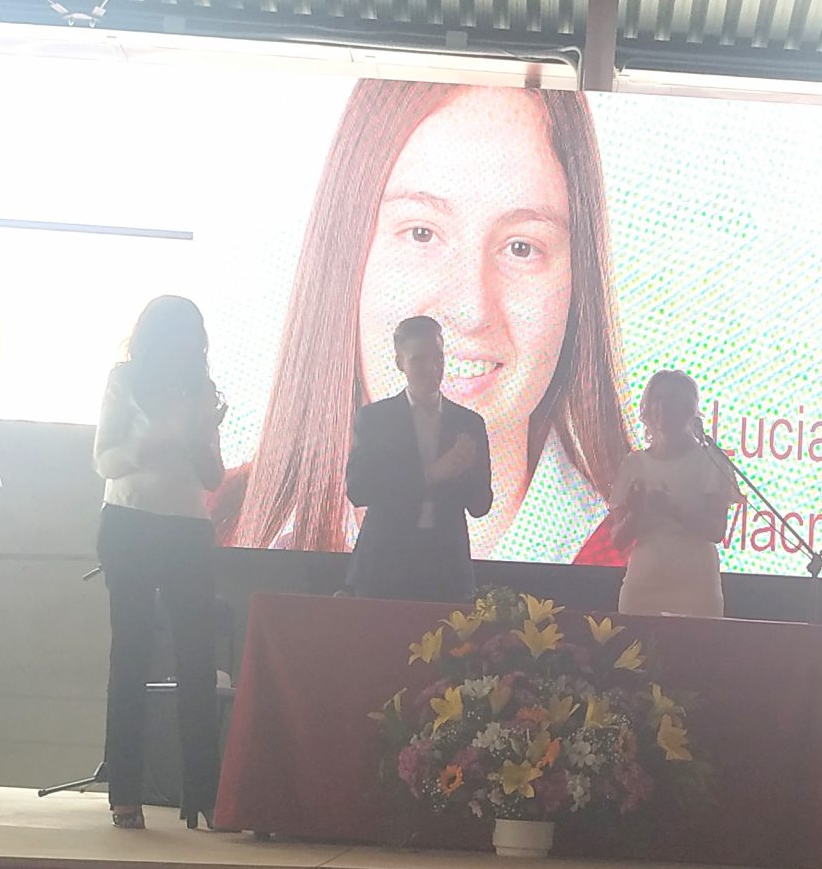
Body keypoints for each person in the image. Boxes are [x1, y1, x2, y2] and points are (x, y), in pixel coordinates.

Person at [217, 79, 629, 564]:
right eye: (421, 233)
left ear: (578, 282)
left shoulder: (628, 552)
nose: (470, 310)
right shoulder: (218, 520)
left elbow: (480, 501)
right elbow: (362, 486)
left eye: (521, 247)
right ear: (343, 251)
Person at [93, 296, 227, 831]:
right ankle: (125, 792)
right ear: (157, 337)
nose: (190, 344)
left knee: (197, 662)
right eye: (181, 334)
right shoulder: (125, 381)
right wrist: (154, 441)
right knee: (131, 654)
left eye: (195, 335)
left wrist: (196, 440)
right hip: (129, 522)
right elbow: (104, 458)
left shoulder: (202, 390)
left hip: (187, 528)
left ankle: (205, 794)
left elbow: (213, 477)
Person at [343, 315, 493, 601]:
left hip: (446, 570)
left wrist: (466, 470)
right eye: (419, 360)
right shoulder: (375, 419)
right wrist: (430, 474)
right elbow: (359, 490)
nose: (432, 368)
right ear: (400, 363)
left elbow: (480, 505)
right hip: (383, 567)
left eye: (438, 358)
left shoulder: (468, 422)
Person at [609, 370, 739, 616]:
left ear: (689, 409)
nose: (662, 407)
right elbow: (618, 541)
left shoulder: (711, 461)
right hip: (642, 586)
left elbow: (716, 531)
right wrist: (636, 514)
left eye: (671, 399)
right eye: (656, 399)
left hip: (696, 588)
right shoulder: (634, 464)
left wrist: (672, 510)